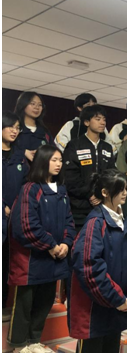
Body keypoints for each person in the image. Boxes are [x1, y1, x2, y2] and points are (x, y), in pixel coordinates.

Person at [8, 145, 75, 353]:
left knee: (44, 303)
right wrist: (51, 245)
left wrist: (66, 243)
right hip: (30, 260)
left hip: (54, 259)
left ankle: (34, 341)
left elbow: (69, 221)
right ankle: (19, 345)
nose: (58, 164)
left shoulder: (61, 190)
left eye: (60, 160)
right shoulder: (30, 188)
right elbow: (26, 225)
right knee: (25, 304)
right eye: (54, 160)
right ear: (43, 161)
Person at [69, 169, 127, 353]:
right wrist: (117, 298)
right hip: (94, 309)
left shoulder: (125, 222)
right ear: (104, 192)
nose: (125, 193)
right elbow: (90, 269)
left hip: (119, 305)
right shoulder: (95, 223)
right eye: (120, 189)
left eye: (126, 188)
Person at [62, 105, 116, 232]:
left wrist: (102, 195)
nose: (102, 122)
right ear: (86, 122)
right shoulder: (74, 145)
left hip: (103, 204)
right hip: (79, 206)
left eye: (104, 119)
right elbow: (70, 177)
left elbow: (111, 174)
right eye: (98, 119)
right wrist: (90, 194)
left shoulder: (107, 147)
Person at [2, 111, 30, 320]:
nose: (14, 130)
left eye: (17, 128)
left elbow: (25, 186)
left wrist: (17, 207)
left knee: (6, 262)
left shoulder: (19, 155)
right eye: (10, 126)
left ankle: (3, 305)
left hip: (14, 217)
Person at [13, 91, 54, 161]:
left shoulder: (45, 132)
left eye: (40, 105)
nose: (36, 107)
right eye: (33, 104)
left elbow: (53, 151)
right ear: (23, 104)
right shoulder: (14, 128)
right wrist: (23, 152)